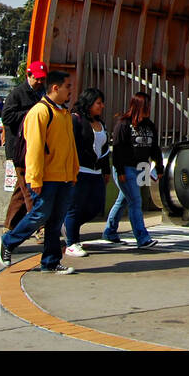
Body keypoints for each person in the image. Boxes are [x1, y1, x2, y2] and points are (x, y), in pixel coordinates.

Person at [0, 71, 80, 273]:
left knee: (55, 220)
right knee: (39, 215)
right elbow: (34, 149)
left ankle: (50, 262)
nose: (70, 91)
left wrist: (73, 172)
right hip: (47, 177)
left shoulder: (64, 113)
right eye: (67, 86)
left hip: (64, 177)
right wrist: (34, 178)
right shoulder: (40, 112)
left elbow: (70, 147)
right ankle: (9, 241)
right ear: (55, 88)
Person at [102, 92, 163, 248]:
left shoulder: (149, 125)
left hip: (141, 168)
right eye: (146, 105)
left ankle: (110, 231)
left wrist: (159, 167)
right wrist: (120, 170)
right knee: (135, 201)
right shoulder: (123, 124)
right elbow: (118, 149)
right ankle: (142, 238)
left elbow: (155, 147)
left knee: (124, 200)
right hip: (126, 168)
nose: (149, 108)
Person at [63, 87, 111, 257]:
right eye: (98, 103)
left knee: (95, 207)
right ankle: (72, 242)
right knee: (75, 207)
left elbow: (104, 148)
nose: (102, 106)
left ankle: (69, 226)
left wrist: (106, 170)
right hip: (80, 171)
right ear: (89, 103)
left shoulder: (101, 124)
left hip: (96, 172)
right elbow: (71, 146)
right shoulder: (76, 120)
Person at [1, 61, 47, 231]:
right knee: (30, 189)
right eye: (37, 78)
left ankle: (10, 225)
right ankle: (38, 227)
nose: (40, 82)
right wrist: (31, 113)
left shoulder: (41, 93)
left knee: (21, 192)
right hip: (20, 150)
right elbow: (7, 117)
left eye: (43, 79)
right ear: (29, 76)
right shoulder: (17, 94)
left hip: (34, 147)